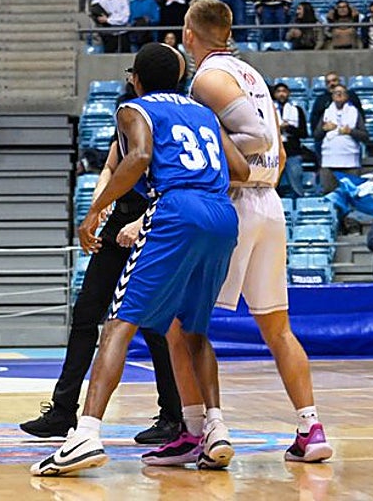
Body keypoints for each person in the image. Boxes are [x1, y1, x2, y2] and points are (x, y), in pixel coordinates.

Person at [31, 43, 248, 476]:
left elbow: (140, 157)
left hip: (177, 209)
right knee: (193, 331)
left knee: (118, 324)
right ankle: (215, 429)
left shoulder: (135, 109)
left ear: (136, 79)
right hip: (223, 215)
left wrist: (96, 210)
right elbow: (240, 168)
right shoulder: (202, 110)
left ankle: (85, 436)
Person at [167, 0, 332, 464]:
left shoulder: (207, 77)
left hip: (235, 204)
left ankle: (199, 432)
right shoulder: (252, 74)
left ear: (190, 34)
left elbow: (256, 138)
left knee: (182, 326)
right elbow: (275, 152)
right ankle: (311, 427)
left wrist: (214, 156)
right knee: (277, 328)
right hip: (269, 203)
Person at [21, 75, 184, 447]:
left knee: (156, 324)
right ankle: (63, 410)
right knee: (86, 313)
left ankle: (173, 416)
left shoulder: (172, 122)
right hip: (119, 219)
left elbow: (171, 183)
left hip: (154, 218)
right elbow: (113, 166)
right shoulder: (130, 116)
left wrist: (142, 221)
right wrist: (99, 207)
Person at [315, 85, 367, 193]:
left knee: (351, 194)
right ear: (332, 96)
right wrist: (325, 129)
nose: (338, 95)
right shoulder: (326, 113)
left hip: (350, 162)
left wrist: (351, 132)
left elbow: (365, 136)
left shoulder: (355, 112)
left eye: (342, 92)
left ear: (347, 96)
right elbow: (316, 135)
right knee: (330, 194)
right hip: (329, 162)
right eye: (336, 93)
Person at [271, 83, 309, 197]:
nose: (281, 94)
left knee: (296, 184)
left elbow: (304, 133)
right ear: (274, 94)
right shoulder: (269, 110)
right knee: (274, 186)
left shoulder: (296, 110)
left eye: (284, 91)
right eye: (278, 91)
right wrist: (278, 128)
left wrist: (288, 127)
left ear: (288, 93)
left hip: (293, 151)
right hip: (275, 152)